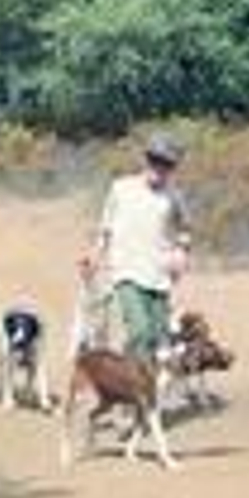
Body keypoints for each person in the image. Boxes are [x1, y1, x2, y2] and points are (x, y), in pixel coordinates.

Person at [81, 132, 192, 366]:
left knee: (158, 337)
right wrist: (94, 258)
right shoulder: (121, 188)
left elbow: (185, 229)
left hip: (159, 275)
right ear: (146, 160)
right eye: (155, 160)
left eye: (166, 164)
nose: (159, 168)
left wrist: (181, 252)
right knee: (140, 331)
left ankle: (134, 383)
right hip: (126, 272)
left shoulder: (174, 197)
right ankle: (138, 391)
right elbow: (105, 229)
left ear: (172, 168)